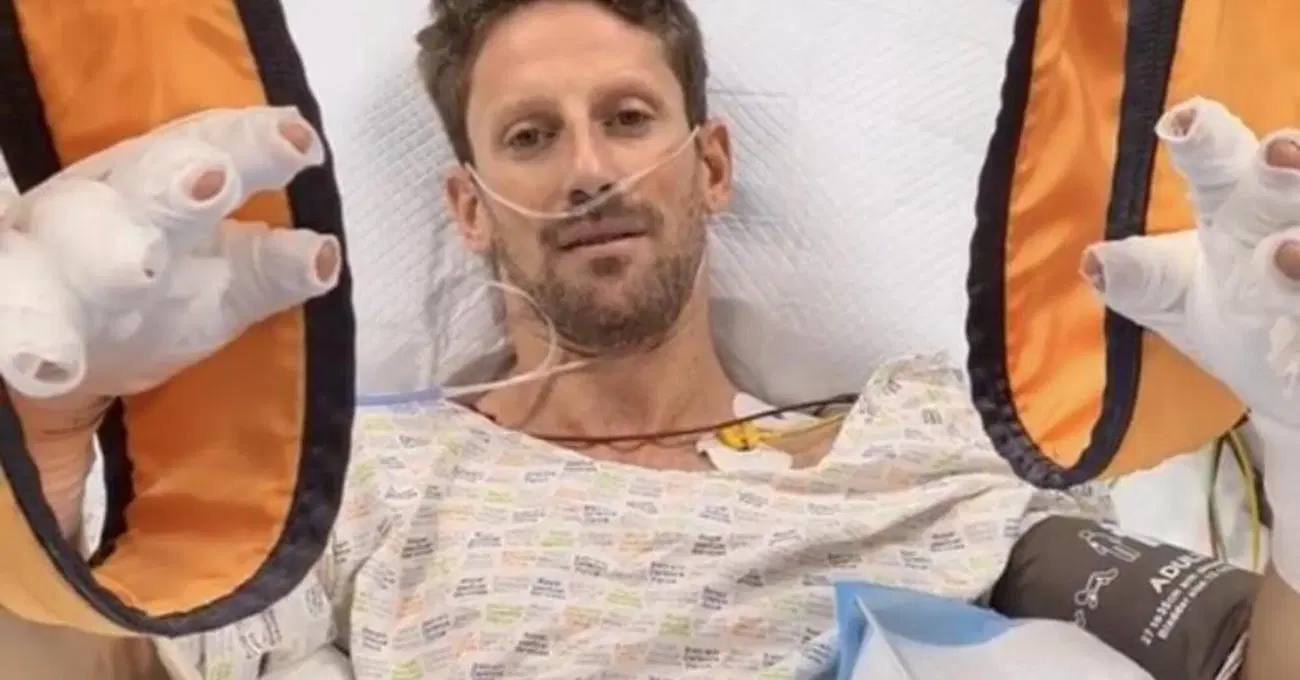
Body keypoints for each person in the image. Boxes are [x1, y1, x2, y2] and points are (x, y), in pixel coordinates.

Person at [2, 0, 1299, 678]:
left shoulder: (942, 427)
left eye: (627, 117)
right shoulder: (360, 485)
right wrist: (48, 441)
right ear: (469, 208)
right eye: (529, 136)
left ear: (710, 164)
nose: (587, 170)